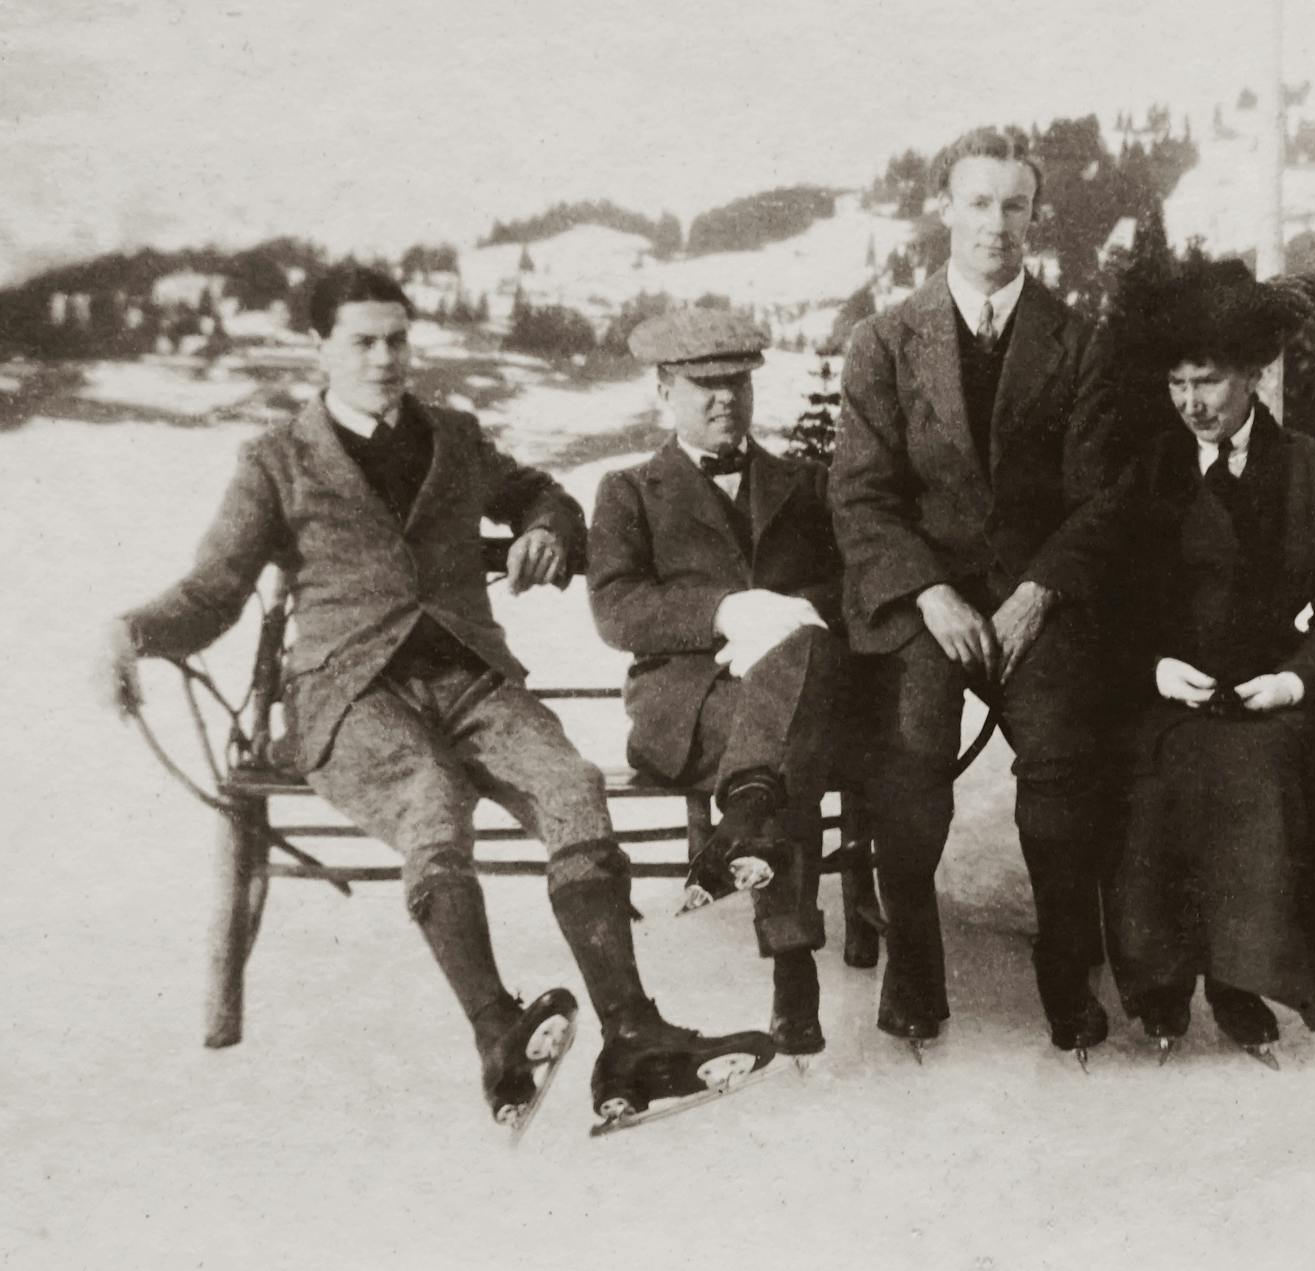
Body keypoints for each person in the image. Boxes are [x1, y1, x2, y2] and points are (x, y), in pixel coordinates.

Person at [98, 265, 772, 1130]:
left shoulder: (452, 437)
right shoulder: (277, 460)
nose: (384, 358)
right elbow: (215, 587)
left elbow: (544, 494)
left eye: (396, 339)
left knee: (570, 783)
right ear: (321, 347)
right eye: (362, 342)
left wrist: (542, 529)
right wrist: (133, 631)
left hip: (471, 677)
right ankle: (499, 1031)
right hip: (348, 694)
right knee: (432, 794)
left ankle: (634, 1037)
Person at [830, 126, 1125, 1056]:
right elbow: (862, 494)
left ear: (1035, 216)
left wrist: (1039, 592)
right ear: (945, 211)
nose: (997, 224)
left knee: (1061, 765)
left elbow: (1103, 498)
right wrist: (927, 593)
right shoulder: (884, 341)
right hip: (930, 604)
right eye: (979, 203)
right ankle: (915, 976)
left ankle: (1066, 973)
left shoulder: (1080, 343)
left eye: (1015, 205)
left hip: (1037, 601)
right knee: (911, 760)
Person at [1106, 262, 1315, 1063]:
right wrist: (1152, 668)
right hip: (1170, 694)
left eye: (1210, 381)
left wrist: (1293, 678)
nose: (1193, 402)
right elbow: (1111, 601)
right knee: (1161, 772)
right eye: (1178, 383)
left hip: (1272, 696)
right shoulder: (1149, 469)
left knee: (1261, 770)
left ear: (1254, 376)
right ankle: (1160, 987)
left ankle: (1239, 981)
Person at [587, 308, 847, 1059]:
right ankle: (794, 975)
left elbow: (849, 588)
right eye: (703, 385)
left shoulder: (804, 484)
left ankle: (750, 814)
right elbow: (616, 608)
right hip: (686, 706)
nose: (723, 399)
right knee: (787, 732)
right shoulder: (628, 490)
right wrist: (729, 610)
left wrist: (791, 615)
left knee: (795, 677)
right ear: (664, 391)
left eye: (735, 382)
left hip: (787, 697)